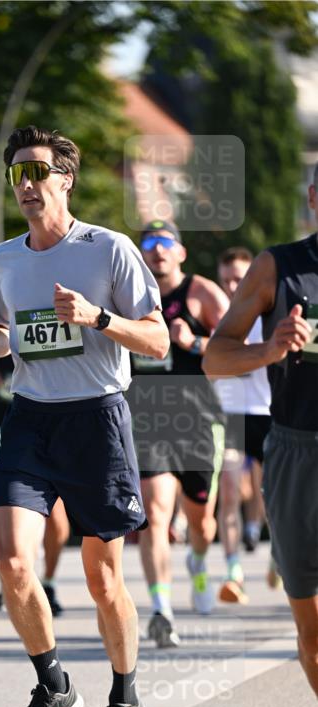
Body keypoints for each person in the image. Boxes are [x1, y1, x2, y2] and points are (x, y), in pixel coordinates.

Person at [0, 125, 168, 707]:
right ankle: (53, 686)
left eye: (37, 173)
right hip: (30, 417)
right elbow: (4, 330)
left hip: (96, 419)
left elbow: (158, 340)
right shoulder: (3, 258)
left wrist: (98, 319)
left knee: (102, 577)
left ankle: (125, 699)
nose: (27, 185)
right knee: (11, 562)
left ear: (65, 180)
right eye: (17, 175)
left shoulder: (107, 250)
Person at [204, 165, 318, 697]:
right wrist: (271, 349)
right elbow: (215, 356)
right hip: (297, 450)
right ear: (313, 198)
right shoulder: (279, 266)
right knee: (312, 636)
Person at [131, 220, 230, 647]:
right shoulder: (128, 294)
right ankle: (161, 608)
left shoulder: (202, 293)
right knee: (154, 514)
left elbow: (233, 350)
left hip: (196, 419)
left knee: (201, 524)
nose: (157, 251)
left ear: (181, 252)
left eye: (165, 243)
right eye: (149, 244)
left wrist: (193, 342)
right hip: (147, 418)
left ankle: (200, 559)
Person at [0, 346, 70, 615]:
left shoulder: (41, 334)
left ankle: (49, 581)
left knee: (56, 517)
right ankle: (18, 577)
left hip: (48, 428)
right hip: (1, 433)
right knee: (18, 508)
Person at [213, 247, 272, 603]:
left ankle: (272, 547)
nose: (234, 285)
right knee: (231, 489)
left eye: (241, 277)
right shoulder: (215, 313)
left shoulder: (269, 312)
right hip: (228, 412)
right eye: (228, 278)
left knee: (271, 493)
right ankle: (233, 571)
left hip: (268, 413)